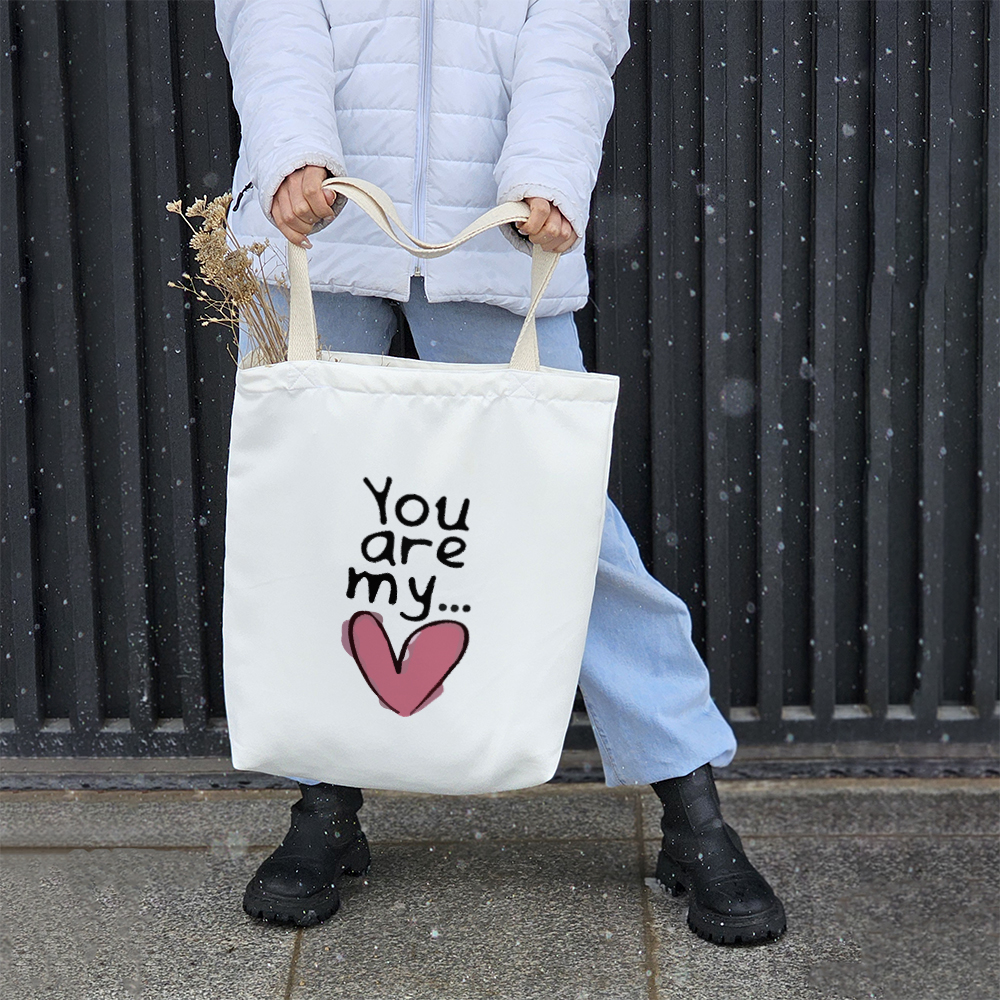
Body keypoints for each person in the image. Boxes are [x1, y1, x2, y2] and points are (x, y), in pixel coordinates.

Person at [215, 0, 786, 946]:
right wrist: (292, 153)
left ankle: (693, 812)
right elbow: (272, 14)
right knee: (317, 530)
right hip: (315, 228)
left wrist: (548, 174)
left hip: (496, 233)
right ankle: (323, 802)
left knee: (569, 529)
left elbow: (573, 27)